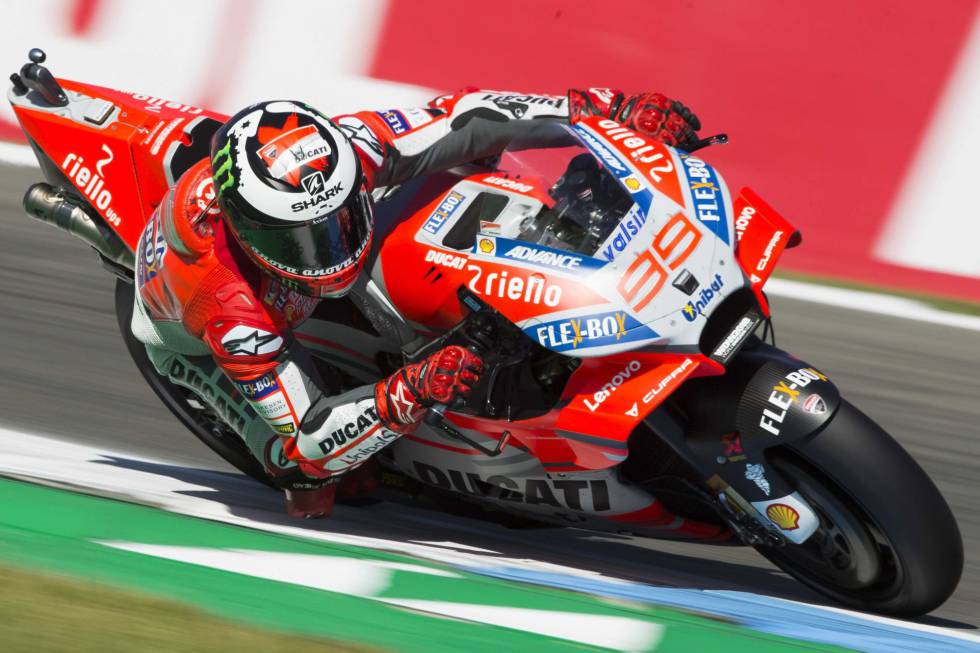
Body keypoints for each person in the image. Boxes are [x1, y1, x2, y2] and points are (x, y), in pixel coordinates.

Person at [130, 87, 702, 518]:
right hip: (188, 337)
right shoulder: (227, 306)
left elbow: (469, 119)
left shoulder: (346, 150)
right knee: (309, 475)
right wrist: (415, 390)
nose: (327, 246)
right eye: (300, 238)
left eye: (338, 217)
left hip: (295, 285)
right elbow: (309, 433)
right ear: (247, 228)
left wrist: (603, 114)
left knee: (462, 175)